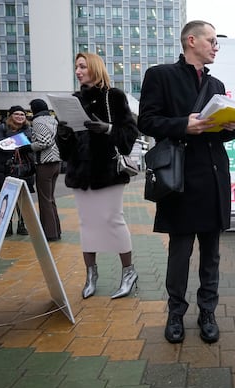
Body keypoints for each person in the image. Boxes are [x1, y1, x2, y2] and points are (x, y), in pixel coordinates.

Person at [138, 20, 235, 344]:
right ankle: (175, 313)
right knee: (180, 252)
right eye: (211, 40)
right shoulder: (160, 75)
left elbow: (231, 132)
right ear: (191, 40)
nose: (215, 46)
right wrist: (185, 125)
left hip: (213, 178)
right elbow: (146, 121)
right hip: (179, 180)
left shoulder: (218, 85)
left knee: (212, 253)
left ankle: (207, 311)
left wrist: (230, 127)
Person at [56, 52, 139, 300]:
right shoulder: (73, 100)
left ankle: (129, 272)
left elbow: (130, 132)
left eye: (83, 66)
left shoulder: (113, 96)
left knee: (113, 220)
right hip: (80, 171)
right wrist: (63, 134)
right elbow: (67, 151)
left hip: (108, 171)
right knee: (86, 223)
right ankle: (91, 275)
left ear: (94, 67)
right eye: (76, 67)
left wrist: (109, 129)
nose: (78, 71)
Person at [0, 105, 35, 236]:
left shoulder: (28, 128)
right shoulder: (1, 128)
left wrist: (8, 142)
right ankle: (6, 226)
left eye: (22, 115)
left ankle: (22, 225)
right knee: (5, 199)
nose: (20, 117)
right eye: (16, 114)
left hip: (24, 169)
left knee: (23, 199)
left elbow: (27, 141)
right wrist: (18, 140)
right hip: (5, 169)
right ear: (10, 116)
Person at [26, 98, 62, 242]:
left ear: (35, 109)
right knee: (51, 199)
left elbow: (44, 142)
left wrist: (28, 147)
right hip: (56, 163)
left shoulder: (38, 121)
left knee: (45, 200)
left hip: (45, 163)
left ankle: (49, 234)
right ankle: (56, 230)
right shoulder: (53, 120)